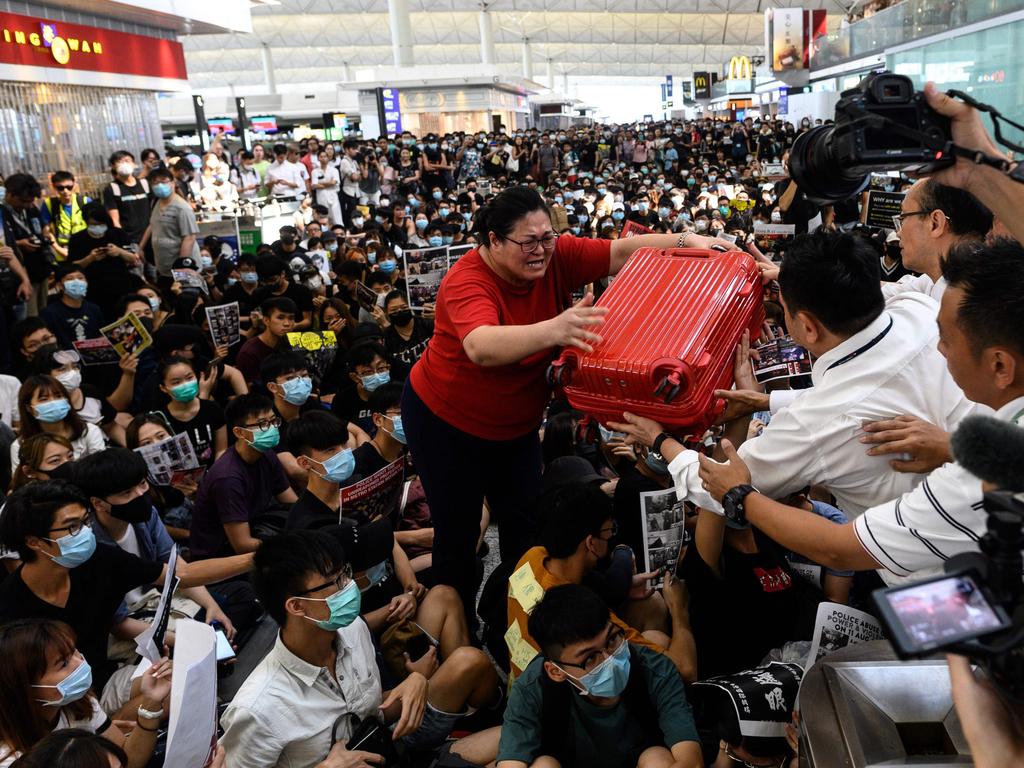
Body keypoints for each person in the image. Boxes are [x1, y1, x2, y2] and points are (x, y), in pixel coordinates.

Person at [401, 184, 753, 623]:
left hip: (516, 425)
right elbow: (481, 346)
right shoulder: (466, 280)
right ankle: (455, 629)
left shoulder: (556, 254)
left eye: (548, 238)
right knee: (458, 531)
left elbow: (621, 253)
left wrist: (688, 242)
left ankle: (518, 623)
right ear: (493, 240)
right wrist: (556, 328)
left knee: (526, 528)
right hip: (447, 423)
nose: (542, 251)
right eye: (528, 242)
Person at [695, 238, 1024, 585]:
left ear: (1000, 365)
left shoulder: (966, 484)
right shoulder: (919, 311)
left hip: (961, 601)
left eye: (946, 339)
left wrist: (669, 448)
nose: (937, 348)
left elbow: (839, 549)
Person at [611, 229, 975, 520]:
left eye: (784, 307)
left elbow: (717, 486)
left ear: (807, 327)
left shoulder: (816, 423)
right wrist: (766, 400)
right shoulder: (922, 310)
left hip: (924, 580)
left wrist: (658, 439)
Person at [220, 529, 501, 768]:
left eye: (346, 573)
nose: (350, 587)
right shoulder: (258, 709)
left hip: (391, 752)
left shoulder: (351, 630)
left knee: (519, 740)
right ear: (296, 606)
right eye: (336, 582)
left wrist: (417, 681)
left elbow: (368, 711)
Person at [0, 480, 251, 682]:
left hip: (107, 677)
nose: (85, 533)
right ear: (34, 541)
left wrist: (255, 559)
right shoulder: (11, 608)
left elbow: (180, 575)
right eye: (72, 527)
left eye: (86, 522)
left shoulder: (98, 559)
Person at [497, 584, 702, 768]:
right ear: (556, 671)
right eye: (590, 657)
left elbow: (690, 761)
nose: (609, 659)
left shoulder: (654, 669)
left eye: (612, 639)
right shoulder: (532, 688)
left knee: (657, 758)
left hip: (641, 759)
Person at [506, 482, 695, 682]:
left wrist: (624, 587)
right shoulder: (581, 615)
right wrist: (679, 611)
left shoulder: (533, 557)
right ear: (591, 543)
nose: (611, 536)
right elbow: (685, 670)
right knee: (660, 640)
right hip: (569, 704)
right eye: (608, 531)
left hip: (523, 685)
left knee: (650, 605)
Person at [73, 448, 237, 638]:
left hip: (158, 600)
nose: (140, 494)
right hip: (129, 622)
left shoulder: (146, 515)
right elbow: (118, 624)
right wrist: (183, 642)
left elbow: (176, 567)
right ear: (98, 503)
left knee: (231, 601)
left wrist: (212, 606)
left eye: (142, 484)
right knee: (204, 637)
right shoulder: (90, 546)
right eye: (126, 492)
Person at [0, 620, 169, 768]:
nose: (80, 662)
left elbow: (128, 761)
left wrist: (152, 701)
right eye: (63, 663)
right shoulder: (10, 759)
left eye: (74, 651)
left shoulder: (79, 705)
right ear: (25, 687)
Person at [189, 394, 296, 559]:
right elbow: (242, 545)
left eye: (274, 421)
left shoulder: (266, 454)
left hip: (257, 528)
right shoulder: (227, 478)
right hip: (221, 558)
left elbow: (291, 503)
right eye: (263, 424)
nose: (273, 428)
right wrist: (293, 543)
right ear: (240, 432)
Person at [883, 179, 992, 302]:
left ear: (935, 223)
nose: (898, 233)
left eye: (903, 217)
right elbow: (888, 291)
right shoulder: (942, 276)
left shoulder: (972, 303)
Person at [10, 376, 105, 475]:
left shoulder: (88, 431)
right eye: (44, 399)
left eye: (58, 396)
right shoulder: (20, 446)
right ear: (29, 408)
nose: (53, 402)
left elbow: (103, 471)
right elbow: (21, 483)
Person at [67, 203, 140, 321]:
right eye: (93, 224)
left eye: (101, 224)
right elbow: (72, 267)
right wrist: (90, 258)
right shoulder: (77, 239)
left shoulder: (117, 234)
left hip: (121, 287)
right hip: (94, 291)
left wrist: (119, 252)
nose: (98, 227)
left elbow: (134, 258)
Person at [155, 355, 227, 469]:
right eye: (176, 382)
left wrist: (214, 475)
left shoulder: (213, 409)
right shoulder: (160, 419)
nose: (185, 384)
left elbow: (221, 449)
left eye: (189, 378)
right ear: (164, 388)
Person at [140, 167, 200, 289]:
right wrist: (140, 247)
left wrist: (182, 269)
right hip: (164, 267)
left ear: (173, 183)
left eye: (163, 181)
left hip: (180, 269)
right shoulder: (156, 202)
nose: (159, 185)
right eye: (155, 183)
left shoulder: (182, 208)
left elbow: (189, 237)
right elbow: (153, 224)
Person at [4, 173, 52, 316]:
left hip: (40, 269)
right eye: (23, 201)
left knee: (43, 312)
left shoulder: (31, 207)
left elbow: (43, 227)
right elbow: (5, 246)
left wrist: (45, 237)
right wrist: (20, 244)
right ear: (11, 194)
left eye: (30, 201)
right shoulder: (3, 213)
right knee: (30, 318)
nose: (27, 205)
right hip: (19, 274)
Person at [234, 296, 297, 383]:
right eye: (280, 318)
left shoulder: (289, 341)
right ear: (266, 320)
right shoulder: (249, 352)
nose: (287, 323)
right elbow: (247, 388)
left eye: (291, 318)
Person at [40, 265, 104, 348]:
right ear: (59, 285)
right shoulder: (49, 313)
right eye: (70, 279)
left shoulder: (94, 309)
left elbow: (101, 335)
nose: (76, 282)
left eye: (80, 278)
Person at [102, 151, 151, 246]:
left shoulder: (145, 184)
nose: (124, 164)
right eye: (120, 161)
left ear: (134, 164)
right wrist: (124, 241)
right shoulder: (112, 189)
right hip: (129, 239)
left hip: (149, 236)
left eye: (127, 161)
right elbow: (115, 220)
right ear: (113, 166)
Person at [39, 171, 89, 263]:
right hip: (63, 253)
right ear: (54, 186)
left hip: (87, 250)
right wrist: (58, 249)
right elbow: (46, 232)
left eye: (69, 187)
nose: (65, 191)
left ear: (74, 185)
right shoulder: (49, 204)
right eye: (60, 188)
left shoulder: (85, 201)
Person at [253, 254, 314, 330]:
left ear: (282, 274)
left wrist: (293, 326)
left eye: (273, 280)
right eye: (265, 281)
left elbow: (307, 321)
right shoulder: (259, 294)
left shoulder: (301, 291)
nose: (269, 284)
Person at [382, 290, 433, 365]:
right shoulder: (387, 338)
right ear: (386, 312)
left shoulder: (426, 324)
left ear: (410, 306)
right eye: (394, 310)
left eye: (404, 307)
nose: (399, 311)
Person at [9, 433, 74, 490]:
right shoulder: (21, 502)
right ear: (29, 471)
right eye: (55, 460)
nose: (67, 463)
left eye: (70, 456)